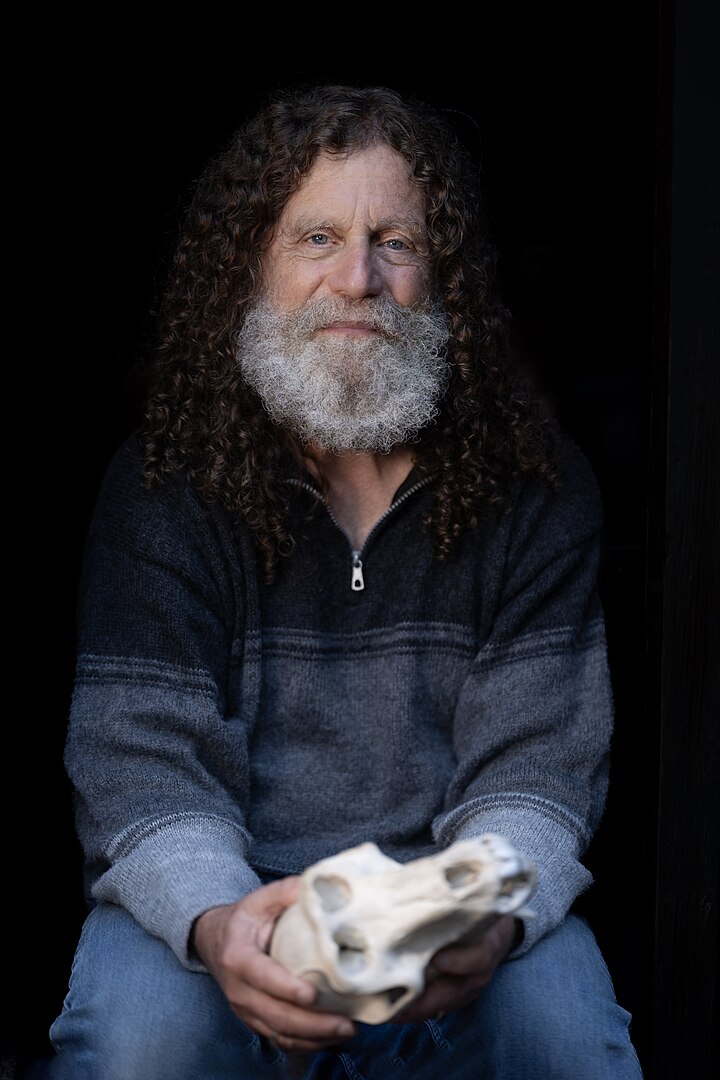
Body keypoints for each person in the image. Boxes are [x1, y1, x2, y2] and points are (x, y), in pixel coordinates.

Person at [47, 83, 643, 1078]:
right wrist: (225, 925)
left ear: (440, 273)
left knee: (569, 1040)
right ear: (254, 269)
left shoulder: (537, 487)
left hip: (443, 905)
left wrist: (482, 920)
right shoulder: (162, 488)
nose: (357, 278)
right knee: (138, 1045)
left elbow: (539, 771)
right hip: (225, 895)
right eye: (316, 238)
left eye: (395, 242)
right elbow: (140, 764)